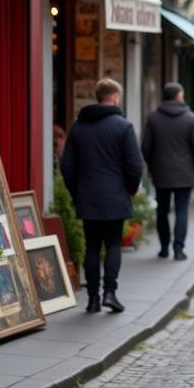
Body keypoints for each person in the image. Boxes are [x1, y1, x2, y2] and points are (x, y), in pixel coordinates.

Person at [60, 79, 144, 314]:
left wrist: (77, 192)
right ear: (115, 98)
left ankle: (93, 299)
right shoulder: (123, 126)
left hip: (88, 196)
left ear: (98, 97)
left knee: (92, 247)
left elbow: (67, 165)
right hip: (116, 196)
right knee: (114, 244)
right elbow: (135, 165)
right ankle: (110, 292)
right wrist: (130, 188)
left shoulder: (78, 126)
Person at [142, 83, 194, 261]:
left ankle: (163, 247)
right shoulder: (190, 118)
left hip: (161, 173)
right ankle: (178, 249)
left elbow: (146, 147)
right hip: (185, 173)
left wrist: (152, 166)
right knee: (181, 210)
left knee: (162, 211)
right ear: (178, 96)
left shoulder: (153, 118)